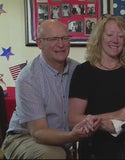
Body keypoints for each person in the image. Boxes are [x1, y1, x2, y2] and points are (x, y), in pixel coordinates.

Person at [1, 19, 101, 159]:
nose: (61, 44)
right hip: (24, 137)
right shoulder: (28, 78)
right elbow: (39, 132)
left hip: (64, 140)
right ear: (40, 43)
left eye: (65, 38)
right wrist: (72, 136)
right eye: (53, 39)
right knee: (54, 155)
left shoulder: (78, 70)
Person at [68, 14, 125, 159]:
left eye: (120, 36)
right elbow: (73, 120)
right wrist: (114, 115)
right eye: (110, 34)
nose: (115, 40)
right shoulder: (84, 71)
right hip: (95, 148)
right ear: (99, 37)